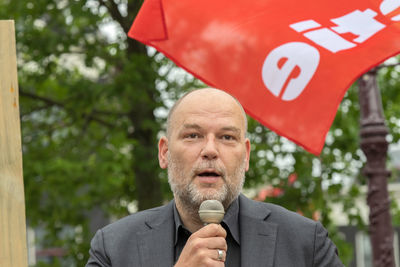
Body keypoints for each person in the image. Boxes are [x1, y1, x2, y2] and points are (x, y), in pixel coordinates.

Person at [86, 88, 344, 267]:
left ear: (245, 155)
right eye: (193, 135)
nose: (210, 150)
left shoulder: (304, 242)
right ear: (164, 153)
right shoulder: (113, 247)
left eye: (226, 137)